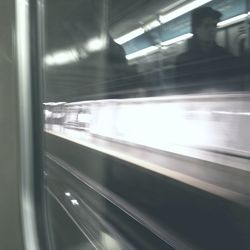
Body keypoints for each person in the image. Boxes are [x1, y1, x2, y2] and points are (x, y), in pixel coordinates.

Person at [175, 6, 244, 93]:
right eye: (206, 26)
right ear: (196, 29)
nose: (212, 30)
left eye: (214, 25)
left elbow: (235, 86)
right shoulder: (183, 60)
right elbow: (181, 91)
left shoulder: (225, 56)